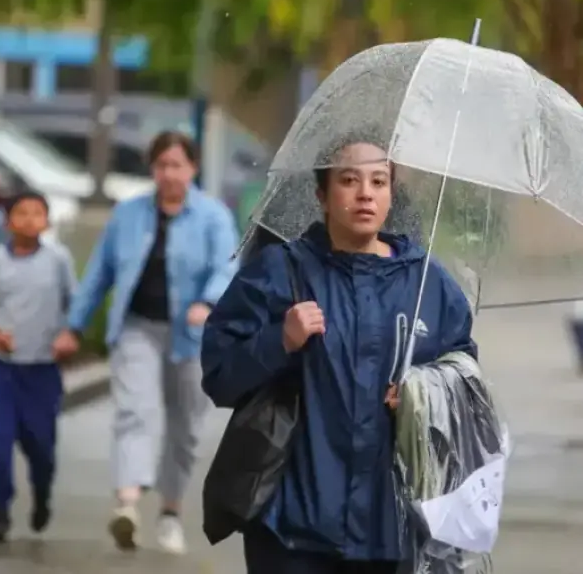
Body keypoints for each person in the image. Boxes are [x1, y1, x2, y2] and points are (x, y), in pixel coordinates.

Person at [201, 136, 477, 573]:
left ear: (391, 193)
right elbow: (218, 374)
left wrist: (423, 397)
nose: (365, 193)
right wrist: (280, 341)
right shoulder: (280, 272)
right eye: (349, 180)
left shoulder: (429, 286)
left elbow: (466, 388)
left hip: (393, 531)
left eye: (379, 181)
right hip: (292, 528)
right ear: (322, 195)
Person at [56, 130, 239, 554]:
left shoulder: (213, 216)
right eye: (162, 166)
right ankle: (128, 504)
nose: (169, 174)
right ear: (152, 168)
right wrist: (74, 326)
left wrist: (207, 301)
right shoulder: (129, 214)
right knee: (135, 412)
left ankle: (170, 513)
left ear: (192, 168)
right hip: (137, 327)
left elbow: (228, 266)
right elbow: (99, 273)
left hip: (192, 335)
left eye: (178, 165)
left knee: (185, 427)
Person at [0, 191, 78, 543]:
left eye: (37, 213)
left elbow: (76, 304)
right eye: (21, 213)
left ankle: (41, 495)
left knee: (40, 445)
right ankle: (0, 510)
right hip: (1, 368)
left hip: (42, 369)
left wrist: (69, 336)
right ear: (7, 221)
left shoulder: (58, 259)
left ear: (47, 221)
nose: (29, 219)